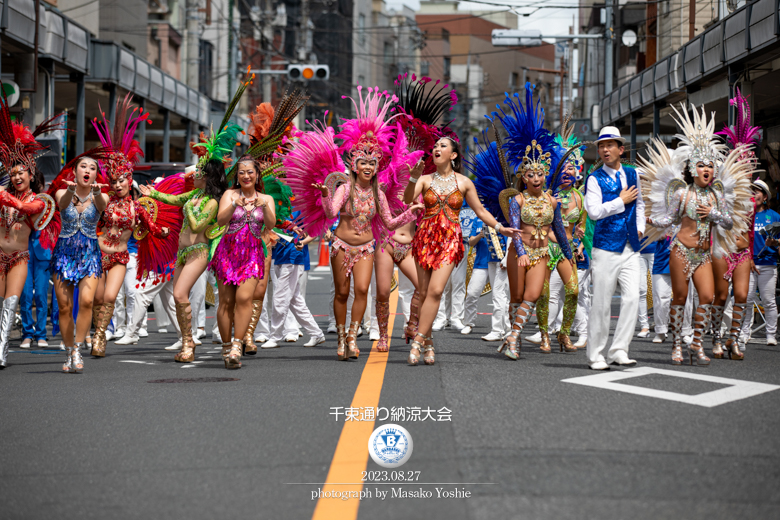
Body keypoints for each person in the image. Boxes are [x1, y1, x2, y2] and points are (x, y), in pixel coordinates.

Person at [286, 87, 421, 361]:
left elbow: (389, 220)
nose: (368, 166)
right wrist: (325, 195)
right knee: (342, 292)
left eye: (373, 162)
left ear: (376, 166)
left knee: (362, 290)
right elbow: (330, 212)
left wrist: (411, 212)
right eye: (363, 162)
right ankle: (340, 333)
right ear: (355, 165)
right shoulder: (344, 189)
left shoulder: (378, 193)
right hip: (341, 245)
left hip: (367, 248)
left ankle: (352, 336)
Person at [640, 104, 753, 366]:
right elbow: (670, 218)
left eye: (711, 166)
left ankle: (698, 344)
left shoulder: (717, 195)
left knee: (707, 297)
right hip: (681, 251)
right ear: (692, 169)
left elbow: (727, 223)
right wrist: (648, 220)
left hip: (703, 255)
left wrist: (713, 212)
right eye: (701, 165)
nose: (707, 169)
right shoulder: (682, 193)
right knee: (679, 298)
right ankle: (678, 345)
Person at [468, 86, 573, 360]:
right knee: (516, 298)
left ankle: (513, 337)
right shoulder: (518, 201)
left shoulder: (552, 202)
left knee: (533, 294)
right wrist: (522, 252)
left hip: (541, 255)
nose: (536, 178)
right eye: (531, 174)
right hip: (519, 252)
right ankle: (511, 337)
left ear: (545, 174)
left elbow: (559, 230)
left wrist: (570, 254)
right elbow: (514, 229)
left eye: (540, 174)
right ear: (523, 177)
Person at [403, 136, 517, 366]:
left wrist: (500, 227)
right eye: (435, 146)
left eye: (442, 146)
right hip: (425, 240)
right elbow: (407, 199)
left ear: (453, 155)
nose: (436, 148)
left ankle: (417, 341)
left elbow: (480, 211)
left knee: (436, 291)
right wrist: (413, 177)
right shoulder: (424, 180)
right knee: (424, 293)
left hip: (450, 241)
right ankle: (428, 343)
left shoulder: (464, 183)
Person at [90, 96, 172, 358]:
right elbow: (98, 205)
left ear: (129, 179)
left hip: (120, 256)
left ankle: (100, 338)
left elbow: (152, 227)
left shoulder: (137, 208)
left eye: (122, 180)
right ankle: (97, 332)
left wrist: (165, 232)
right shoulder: (105, 200)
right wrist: (94, 192)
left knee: (111, 298)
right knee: (96, 298)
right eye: (113, 180)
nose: (117, 185)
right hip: (97, 253)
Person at [0, 105, 60, 368]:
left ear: (31, 174)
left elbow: (24, 209)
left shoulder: (38, 201)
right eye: (12, 173)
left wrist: (3, 194)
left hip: (19, 258)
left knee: (11, 303)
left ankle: (1, 352)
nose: (16, 176)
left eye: (20, 172)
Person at [584, 125, 645, 369]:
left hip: (631, 246)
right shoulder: (594, 178)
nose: (605, 149)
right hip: (606, 247)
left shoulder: (633, 174)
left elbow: (640, 204)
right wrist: (620, 200)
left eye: (610, 145)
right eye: (601, 145)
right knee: (601, 302)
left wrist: (639, 227)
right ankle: (596, 354)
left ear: (621, 149)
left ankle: (619, 349)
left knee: (632, 298)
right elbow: (594, 212)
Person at [211, 155, 276, 368]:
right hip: (227, 253)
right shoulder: (230, 194)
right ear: (237, 176)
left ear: (257, 175)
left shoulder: (266, 199)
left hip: (252, 254)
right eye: (242, 172)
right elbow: (220, 220)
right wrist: (233, 205)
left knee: (245, 298)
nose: (246, 176)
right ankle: (226, 346)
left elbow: (271, 224)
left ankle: (237, 345)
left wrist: (264, 207)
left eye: (250, 172)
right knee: (226, 302)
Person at [712, 89, 761, 358]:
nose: (746, 169)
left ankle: (734, 340)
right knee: (721, 296)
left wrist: (751, 254)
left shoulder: (752, 199)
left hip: (743, 253)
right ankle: (717, 337)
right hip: (723, 251)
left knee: (742, 296)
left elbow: (751, 230)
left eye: (748, 166)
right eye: (740, 165)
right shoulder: (722, 193)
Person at [49, 154, 109, 373]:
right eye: (83, 166)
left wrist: (97, 193)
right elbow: (62, 204)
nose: (87, 170)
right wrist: (72, 191)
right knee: (64, 307)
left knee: (86, 301)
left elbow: (102, 207)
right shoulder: (62, 192)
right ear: (75, 172)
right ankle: (67, 351)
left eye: (92, 168)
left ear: (95, 174)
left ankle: (77, 348)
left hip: (90, 255)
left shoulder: (101, 195)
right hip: (64, 254)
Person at [741, 180, 779, 346]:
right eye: (752, 191)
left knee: (768, 300)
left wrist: (775, 243)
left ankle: (771, 335)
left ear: (765, 197)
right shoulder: (744, 216)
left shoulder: (775, 216)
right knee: (747, 299)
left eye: (757, 192)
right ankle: (744, 332)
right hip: (748, 264)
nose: (753, 195)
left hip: (768, 263)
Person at [461, 219, 509, 341]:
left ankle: (505, 328)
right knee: (472, 293)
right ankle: (468, 323)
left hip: (499, 261)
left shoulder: (502, 217)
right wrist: (480, 235)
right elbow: (471, 242)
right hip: (481, 263)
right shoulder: (478, 220)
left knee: (500, 295)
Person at [20, 231, 52, 349]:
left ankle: (41, 335)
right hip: (23, 250)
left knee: (40, 295)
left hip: (43, 250)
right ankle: (27, 334)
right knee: (26, 295)